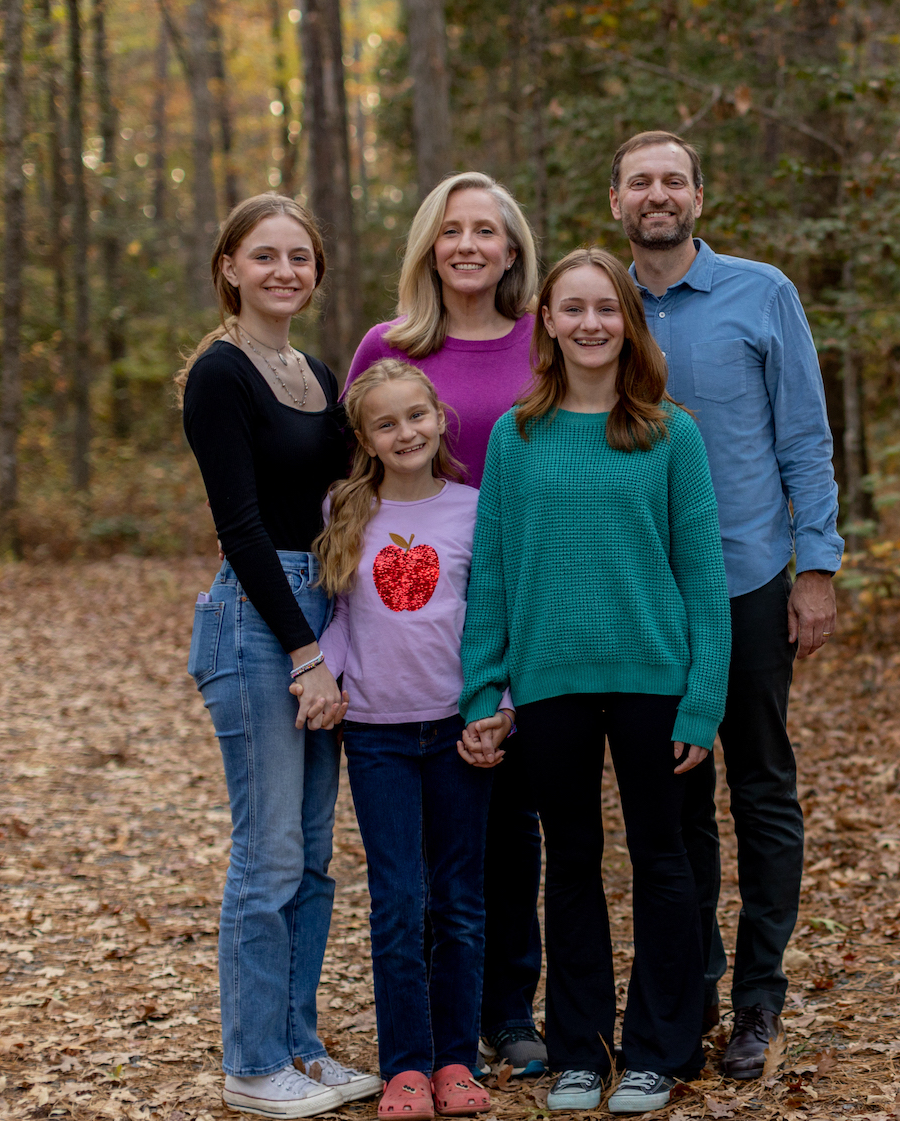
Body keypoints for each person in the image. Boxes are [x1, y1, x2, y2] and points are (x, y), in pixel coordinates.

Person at [458, 247, 732, 1114]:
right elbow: (492, 575)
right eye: (571, 308)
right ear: (548, 322)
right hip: (548, 683)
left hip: (655, 679)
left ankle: (660, 1048)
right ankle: (580, 1049)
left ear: (629, 321)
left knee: (662, 860)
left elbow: (703, 578)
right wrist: (481, 691)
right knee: (570, 862)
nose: (589, 324)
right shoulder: (517, 434)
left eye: (606, 309)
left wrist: (703, 696)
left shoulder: (669, 433)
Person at [608, 130, 844, 1078]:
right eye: (640, 183)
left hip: (747, 580)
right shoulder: (595, 304)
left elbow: (806, 434)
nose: (657, 195)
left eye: (672, 179)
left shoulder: (762, 292)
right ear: (616, 201)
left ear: (699, 194)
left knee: (761, 786)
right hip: (642, 598)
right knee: (674, 798)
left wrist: (817, 566)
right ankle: (691, 981)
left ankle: (758, 997)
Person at [179, 194, 382, 1118]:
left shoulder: (318, 369)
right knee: (265, 855)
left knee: (310, 854)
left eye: (300, 258)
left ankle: (300, 1045)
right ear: (230, 266)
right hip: (260, 622)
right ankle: (252, 1058)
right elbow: (242, 524)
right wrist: (303, 651)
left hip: (323, 609)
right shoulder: (220, 375)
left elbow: (340, 496)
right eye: (265, 256)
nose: (284, 272)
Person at [344, 171, 548, 1079]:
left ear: (511, 248)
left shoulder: (545, 335)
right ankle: (427, 1039)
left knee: (511, 823)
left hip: (530, 598)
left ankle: (508, 1012)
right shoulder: (389, 345)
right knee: (426, 857)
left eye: (487, 230)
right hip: (410, 643)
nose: (468, 245)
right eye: (452, 230)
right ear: (430, 245)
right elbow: (350, 478)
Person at [315, 359, 513, 1119]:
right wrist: (322, 675)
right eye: (386, 423)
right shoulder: (346, 506)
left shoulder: (475, 507)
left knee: (460, 901)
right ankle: (404, 1066)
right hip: (376, 735)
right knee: (399, 901)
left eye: (415, 416)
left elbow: (495, 616)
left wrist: (497, 708)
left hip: (460, 730)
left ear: (439, 417)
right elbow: (339, 620)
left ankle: (457, 1060)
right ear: (365, 438)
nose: (406, 432)